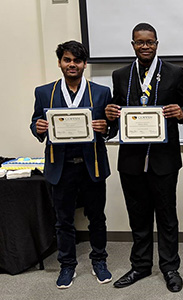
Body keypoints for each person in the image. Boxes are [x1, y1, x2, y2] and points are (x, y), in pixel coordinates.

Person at [105, 23, 183, 292]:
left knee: (167, 216)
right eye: (139, 42)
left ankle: (170, 268)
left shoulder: (174, 73)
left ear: (157, 43)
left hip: (164, 159)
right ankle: (141, 266)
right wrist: (111, 115)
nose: (145, 46)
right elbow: (115, 115)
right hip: (131, 159)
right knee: (138, 215)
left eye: (150, 42)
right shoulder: (120, 75)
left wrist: (181, 112)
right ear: (132, 44)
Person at [30, 41, 113, 289]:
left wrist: (106, 127)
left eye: (77, 61)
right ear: (60, 63)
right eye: (67, 60)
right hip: (60, 166)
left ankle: (99, 260)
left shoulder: (101, 92)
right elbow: (36, 121)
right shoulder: (44, 92)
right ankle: (67, 265)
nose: (72, 65)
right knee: (63, 220)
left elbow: (111, 126)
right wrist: (38, 127)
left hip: (92, 165)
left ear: (85, 64)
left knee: (96, 217)